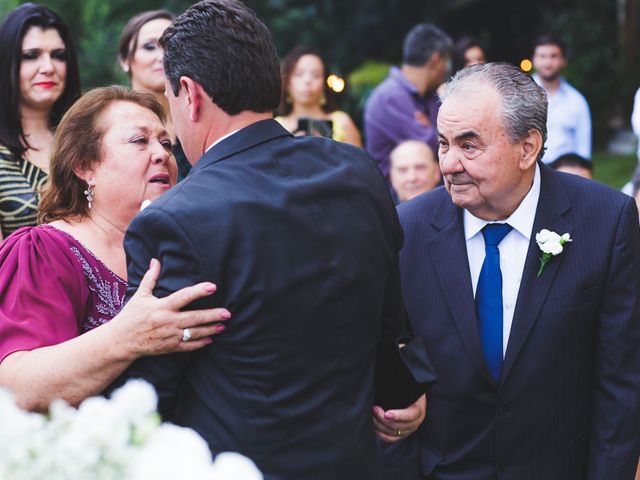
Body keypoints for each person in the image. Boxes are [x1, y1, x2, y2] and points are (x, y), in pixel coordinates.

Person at [118, 1, 432, 478]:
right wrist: (398, 392)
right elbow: (385, 322)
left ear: (189, 94)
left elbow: (149, 395)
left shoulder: (173, 220)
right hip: (354, 461)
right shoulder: (357, 172)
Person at [396, 62, 640, 478]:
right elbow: (391, 366)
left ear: (528, 148)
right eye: (443, 143)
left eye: (468, 145)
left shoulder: (605, 220)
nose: (449, 163)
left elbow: (620, 385)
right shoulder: (408, 229)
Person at [0, 86, 229, 412]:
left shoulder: (185, 246)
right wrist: (125, 337)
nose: (163, 154)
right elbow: (15, 388)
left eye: (166, 143)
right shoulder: (44, 251)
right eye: (139, 141)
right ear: (84, 166)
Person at [0, 3, 81, 240]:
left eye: (58, 55)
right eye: (31, 56)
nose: (48, 67)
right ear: (6, 63)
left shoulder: (87, 141)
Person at [364, 23, 452, 182]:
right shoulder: (390, 97)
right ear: (436, 59)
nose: (447, 69)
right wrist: (436, 132)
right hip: (398, 200)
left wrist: (433, 131)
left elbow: (447, 139)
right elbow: (438, 146)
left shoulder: (430, 95)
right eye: (447, 62)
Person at [118, 9, 191, 181]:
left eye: (171, 46)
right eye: (149, 47)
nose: (162, 56)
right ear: (125, 60)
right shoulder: (112, 124)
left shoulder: (198, 119)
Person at [275, 46, 362, 147]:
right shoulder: (277, 126)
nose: (307, 81)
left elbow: (358, 161)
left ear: (324, 84)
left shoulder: (342, 122)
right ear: (287, 82)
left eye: (316, 75)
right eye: (299, 74)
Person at [532, 34, 591, 164]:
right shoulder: (520, 96)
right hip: (528, 170)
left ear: (564, 61)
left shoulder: (577, 101)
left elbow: (584, 149)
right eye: (542, 56)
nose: (548, 62)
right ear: (534, 60)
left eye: (553, 56)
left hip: (565, 172)